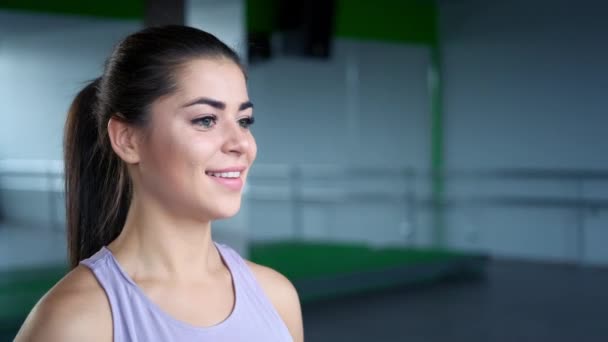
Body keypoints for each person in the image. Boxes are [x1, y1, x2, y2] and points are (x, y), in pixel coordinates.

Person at [15, 25, 303, 341]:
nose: (242, 144)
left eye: (244, 121)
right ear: (127, 139)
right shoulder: (75, 322)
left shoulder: (277, 297)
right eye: (206, 120)